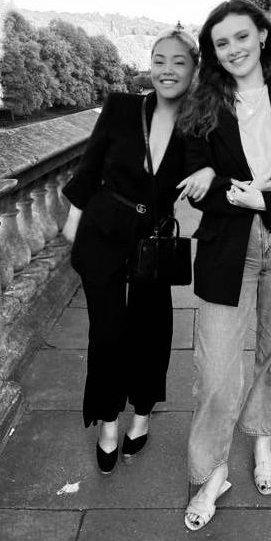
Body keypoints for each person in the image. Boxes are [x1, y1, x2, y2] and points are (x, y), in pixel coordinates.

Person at [177, 0, 271, 530]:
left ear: (262, 37)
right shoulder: (203, 107)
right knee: (216, 370)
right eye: (221, 43)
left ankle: (262, 444)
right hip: (228, 250)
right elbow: (196, 184)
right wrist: (242, 191)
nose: (233, 49)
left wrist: (259, 198)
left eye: (242, 37)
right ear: (212, 52)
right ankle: (212, 471)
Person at [62, 27, 214, 474]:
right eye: (159, 59)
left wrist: (207, 172)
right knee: (107, 334)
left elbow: (205, 185)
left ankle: (142, 415)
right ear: (149, 65)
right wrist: (73, 219)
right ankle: (108, 422)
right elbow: (90, 166)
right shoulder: (122, 107)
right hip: (104, 229)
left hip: (154, 239)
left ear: (194, 69)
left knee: (150, 329)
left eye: (179, 61)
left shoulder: (199, 123)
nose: (167, 69)